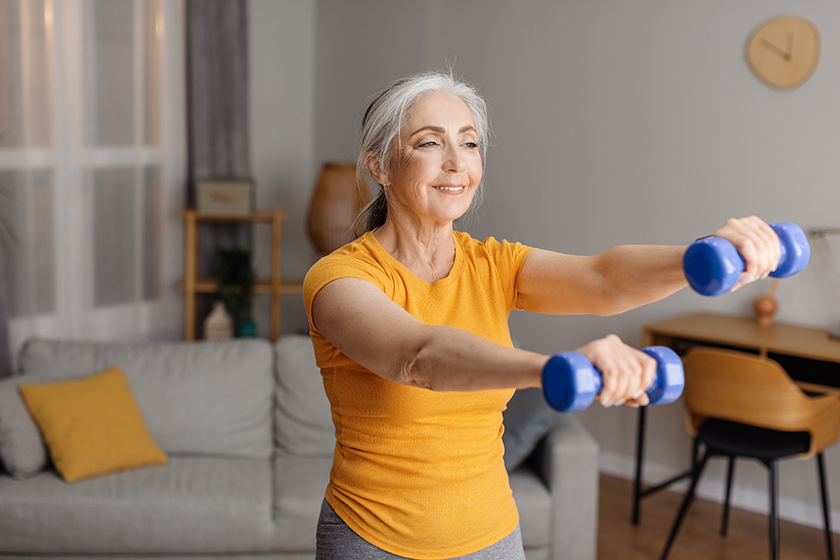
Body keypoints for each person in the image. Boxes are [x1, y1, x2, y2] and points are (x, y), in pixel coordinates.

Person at [303, 70, 782, 560]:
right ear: (380, 165)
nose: (457, 163)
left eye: (469, 143)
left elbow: (604, 280)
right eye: (430, 143)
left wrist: (704, 256)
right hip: (373, 539)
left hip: (493, 537)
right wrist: (556, 369)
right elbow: (418, 356)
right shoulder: (338, 278)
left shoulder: (492, 264)